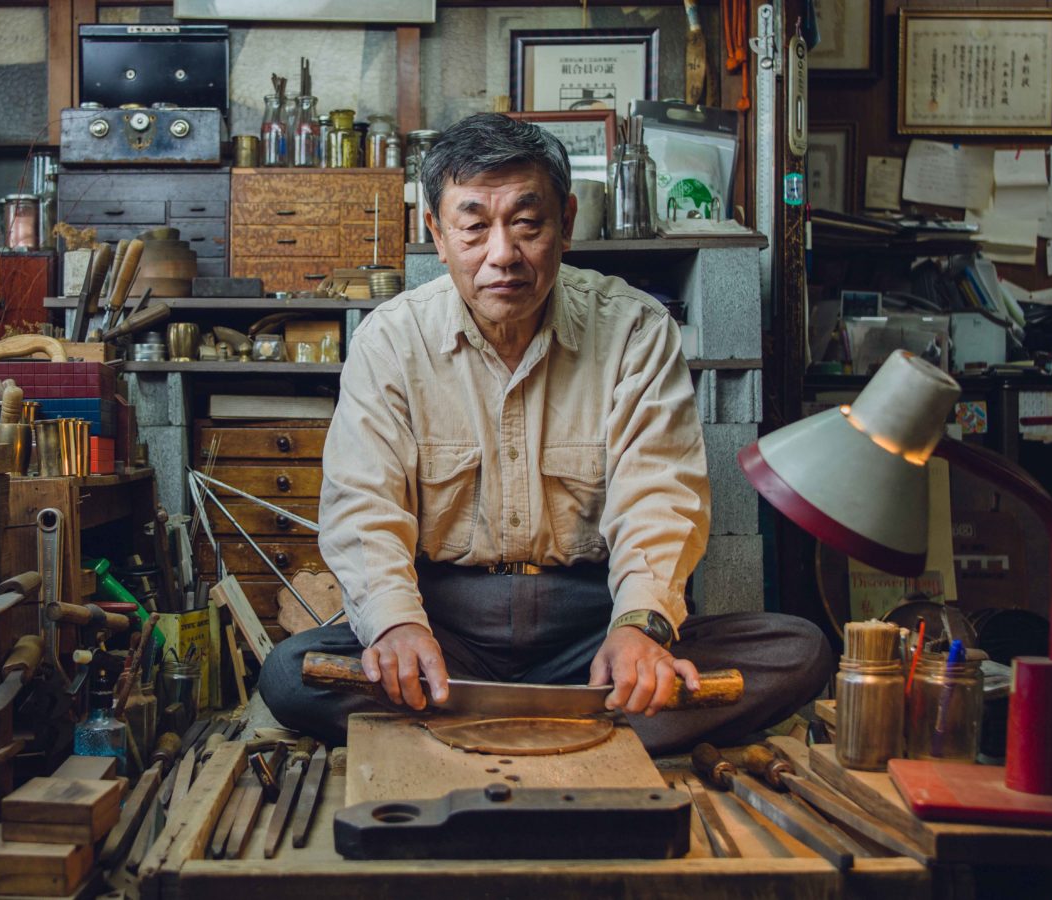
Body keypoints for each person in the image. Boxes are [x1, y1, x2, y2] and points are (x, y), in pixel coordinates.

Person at [259, 113, 832, 752]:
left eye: (527, 224)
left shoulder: (634, 331)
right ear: (437, 235)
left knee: (800, 649)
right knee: (288, 675)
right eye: (474, 227)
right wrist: (395, 628)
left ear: (566, 223)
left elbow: (659, 496)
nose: (503, 253)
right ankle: (588, 727)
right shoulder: (390, 340)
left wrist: (639, 630)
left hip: (589, 632)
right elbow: (365, 508)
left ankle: (474, 726)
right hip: (448, 634)